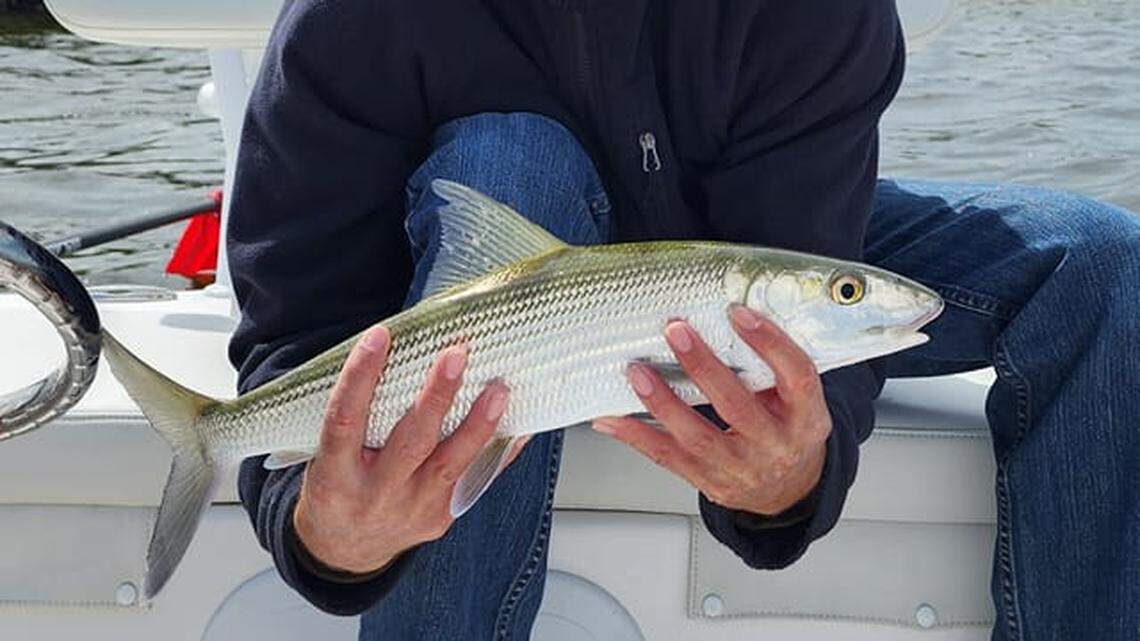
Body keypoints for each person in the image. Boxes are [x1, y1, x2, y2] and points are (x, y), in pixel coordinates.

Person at [226, 0, 1140, 639]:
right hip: (487, 315)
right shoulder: (348, 21)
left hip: (723, 253)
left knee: (1098, 262)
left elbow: (813, 249)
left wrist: (792, 480)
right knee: (513, 155)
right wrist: (330, 537)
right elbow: (302, 326)